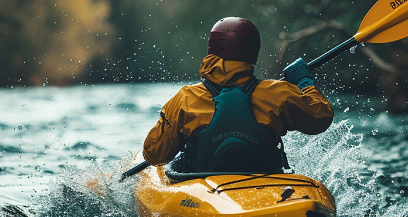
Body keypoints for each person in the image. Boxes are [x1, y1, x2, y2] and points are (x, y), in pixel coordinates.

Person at [142, 17, 334, 174]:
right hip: (265, 186)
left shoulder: (186, 98)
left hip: (201, 187)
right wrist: (305, 83)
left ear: (212, 48)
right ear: (253, 52)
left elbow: (154, 155)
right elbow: (321, 117)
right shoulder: (278, 93)